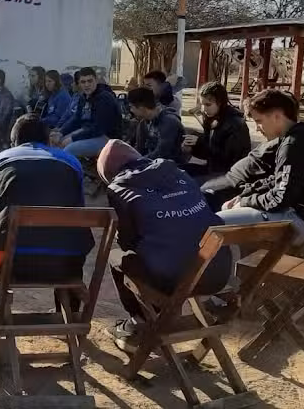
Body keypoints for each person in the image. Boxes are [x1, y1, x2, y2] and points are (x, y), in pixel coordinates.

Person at [0, 115, 95, 338]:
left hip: (10, 263)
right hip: (63, 265)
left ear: (14, 140)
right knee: (70, 240)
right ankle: (68, 315)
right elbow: (77, 211)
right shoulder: (71, 163)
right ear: (48, 140)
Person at [96, 139, 233, 351]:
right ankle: (149, 319)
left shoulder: (119, 189)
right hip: (218, 272)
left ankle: (139, 322)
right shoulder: (178, 172)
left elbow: (127, 242)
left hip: (173, 280)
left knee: (116, 257)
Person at [215, 89, 304, 243]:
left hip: (301, 222)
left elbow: (279, 198)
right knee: (227, 211)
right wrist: (245, 195)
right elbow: (278, 180)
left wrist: (245, 202)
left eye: (259, 121)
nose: (257, 128)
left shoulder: (294, 145)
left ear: (277, 116)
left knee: (215, 224)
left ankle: (230, 265)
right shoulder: (300, 138)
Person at [180, 82, 251, 180]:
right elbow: (208, 154)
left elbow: (228, 159)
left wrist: (200, 142)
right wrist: (192, 148)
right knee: (178, 172)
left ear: (220, 102)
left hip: (230, 175)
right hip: (213, 169)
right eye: (202, 104)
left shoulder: (235, 124)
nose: (204, 109)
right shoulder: (211, 118)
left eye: (208, 104)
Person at [53, 67, 122, 158]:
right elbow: (76, 119)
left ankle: (73, 171)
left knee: (69, 149)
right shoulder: (83, 97)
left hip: (107, 138)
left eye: (90, 81)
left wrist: (73, 138)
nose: (86, 85)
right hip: (88, 132)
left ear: (96, 80)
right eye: (83, 82)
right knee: (57, 141)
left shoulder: (104, 99)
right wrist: (61, 132)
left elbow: (98, 128)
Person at [127, 87, 186, 163]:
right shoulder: (144, 123)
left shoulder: (169, 121)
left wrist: (138, 162)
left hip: (172, 167)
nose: (131, 111)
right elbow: (139, 148)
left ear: (142, 108)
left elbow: (162, 153)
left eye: (131, 107)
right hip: (153, 165)